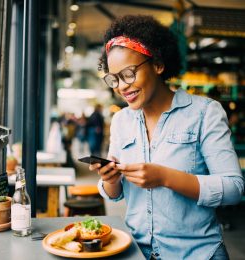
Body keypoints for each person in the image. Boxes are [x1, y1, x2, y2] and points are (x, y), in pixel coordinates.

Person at [89, 15, 244, 260]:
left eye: (129, 73)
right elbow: (113, 193)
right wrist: (110, 179)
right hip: (137, 252)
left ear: (158, 64)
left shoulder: (204, 113)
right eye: (114, 79)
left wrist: (165, 177)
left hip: (196, 254)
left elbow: (234, 188)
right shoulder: (122, 121)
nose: (121, 86)